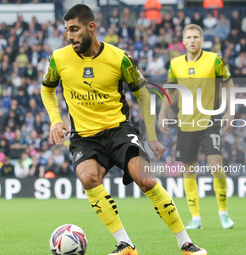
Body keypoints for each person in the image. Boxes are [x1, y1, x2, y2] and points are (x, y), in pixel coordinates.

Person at [41, 4, 207, 255]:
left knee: (146, 179)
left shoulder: (119, 58)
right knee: (88, 178)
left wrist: (151, 136)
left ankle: (185, 243)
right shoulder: (58, 58)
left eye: (74, 29)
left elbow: (142, 94)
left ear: (91, 26)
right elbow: (47, 88)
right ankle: (126, 245)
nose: (70, 36)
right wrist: (55, 119)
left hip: (119, 130)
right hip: (85, 137)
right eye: (67, 30)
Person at [158, 24, 235, 230]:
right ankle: (195, 218)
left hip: (210, 120)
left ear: (202, 40)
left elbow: (228, 83)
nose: (192, 40)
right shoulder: (175, 64)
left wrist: (230, 111)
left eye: (195, 37)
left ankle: (223, 213)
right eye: (188, 37)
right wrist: (162, 114)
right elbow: (172, 92)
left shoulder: (214, 60)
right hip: (185, 124)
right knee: (189, 171)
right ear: (183, 41)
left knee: (216, 167)